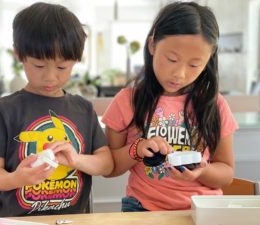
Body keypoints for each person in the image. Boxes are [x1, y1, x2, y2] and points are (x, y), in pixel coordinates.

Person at [0, 2, 113, 217]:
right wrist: (17, 179)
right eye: (39, 66)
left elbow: (106, 164)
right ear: (19, 54)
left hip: (69, 221)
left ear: (75, 61)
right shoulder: (5, 110)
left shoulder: (83, 109)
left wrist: (76, 160)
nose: (50, 77)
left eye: (61, 67)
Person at [102, 1, 238, 212]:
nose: (180, 74)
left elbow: (226, 173)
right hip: (143, 209)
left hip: (203, 210)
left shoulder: (215, 104)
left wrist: (202, 171)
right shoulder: (128, 101)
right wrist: (136, 150)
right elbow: (109, 168)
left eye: (194, 65)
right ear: (152, 45)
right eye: (172, 59)